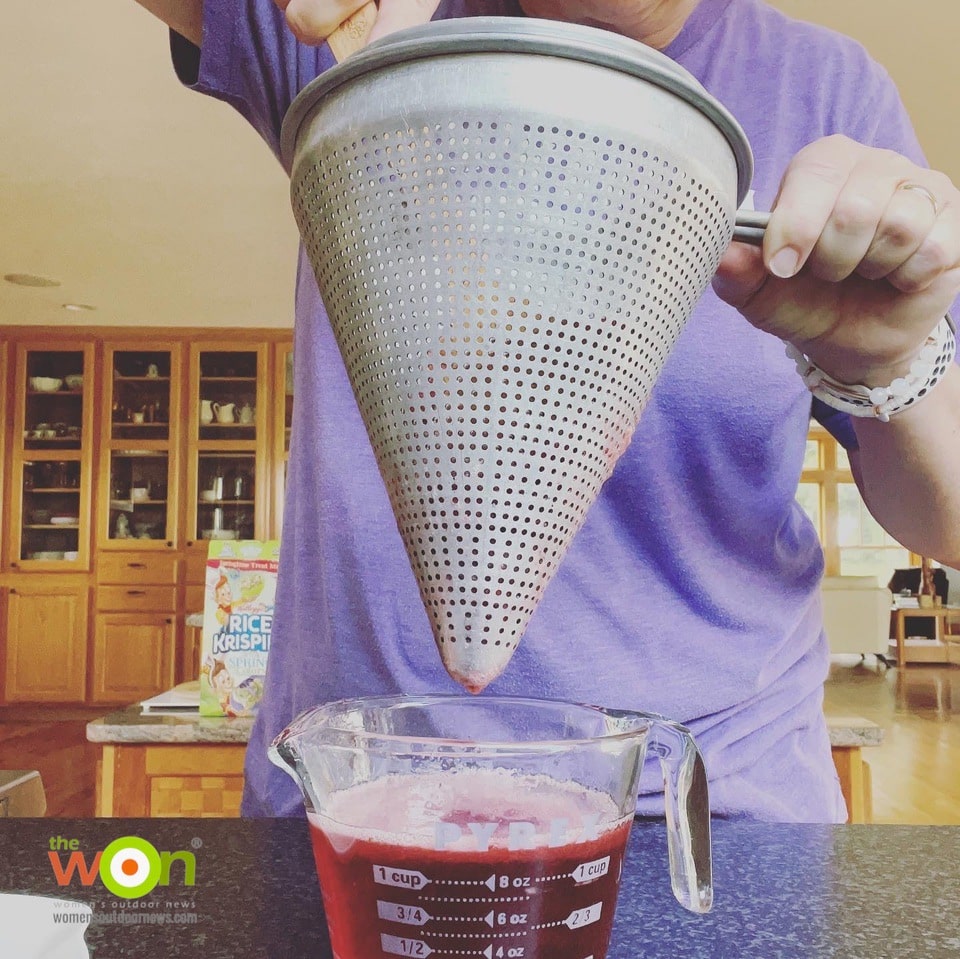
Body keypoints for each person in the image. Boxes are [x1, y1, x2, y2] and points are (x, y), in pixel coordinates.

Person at [133, 0, 960, 820]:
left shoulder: (825, 91)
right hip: (354, 799)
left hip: (704, 818)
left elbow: (948, 517)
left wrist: (891, 361)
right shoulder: (373, 31)